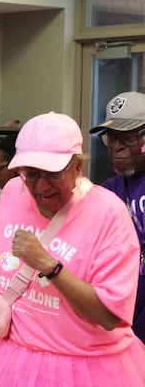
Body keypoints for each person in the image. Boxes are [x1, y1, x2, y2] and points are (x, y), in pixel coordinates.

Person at [0, 112, 145, 386]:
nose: (42, 186)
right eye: (31, 174)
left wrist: (51, 266)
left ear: (77, 167)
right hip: (14, 359)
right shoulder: (12, 193)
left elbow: (110, 317)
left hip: (88, 366)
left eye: (53, 174)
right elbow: (0, 268)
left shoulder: (108, 214)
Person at [89, 91, 145, 342]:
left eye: (128, 137)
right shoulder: (108, 191)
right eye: (111, 138)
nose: (116, 146)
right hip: (121, 323)